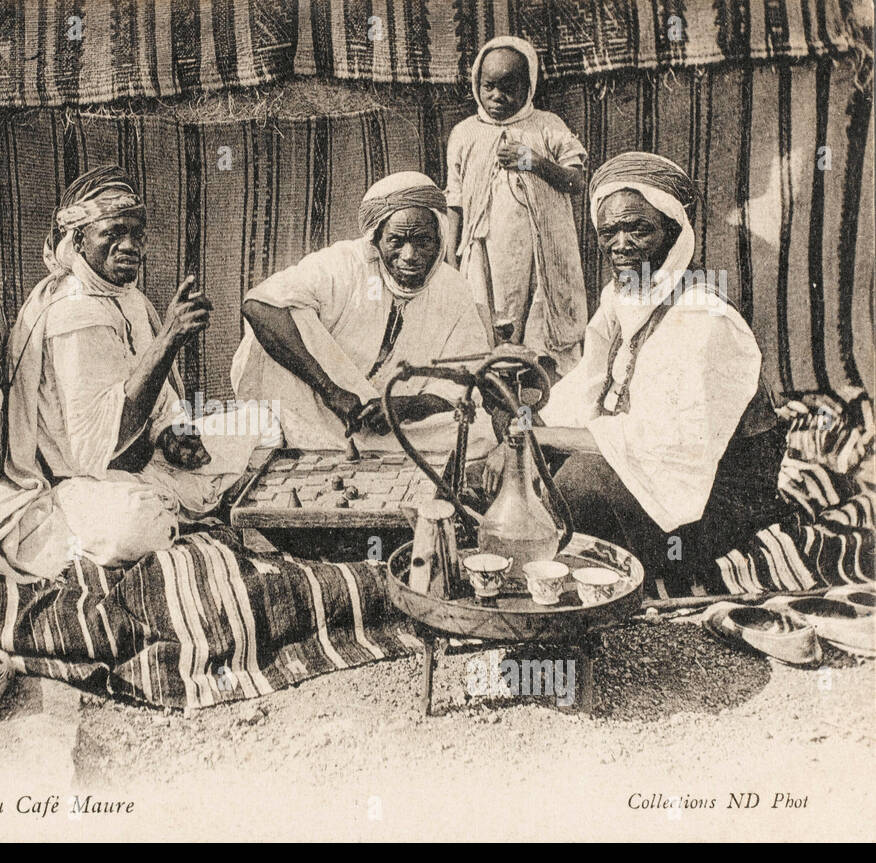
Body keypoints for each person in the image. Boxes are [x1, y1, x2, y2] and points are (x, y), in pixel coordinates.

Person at [0, 165, 277, 578]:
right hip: (81, 482)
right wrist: (169, 338)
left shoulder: (126, 297)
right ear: (79, 239)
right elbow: (98, 448)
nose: (130, 245)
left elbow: (155, 400)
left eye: (137, 234)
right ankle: (181, 513)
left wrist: (169, 432)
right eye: (114, 233)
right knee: (138, 526)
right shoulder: (73, 312)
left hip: (146, 466)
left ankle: (184, 508)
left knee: (265, 425)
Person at [520, 151, 786, 580]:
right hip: (657, 465)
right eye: (609, 231)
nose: (620, 244)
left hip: (717, 499)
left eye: (638, 229)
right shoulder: (624, 296)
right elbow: (592, 383)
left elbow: (667, 444)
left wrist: (542, 439)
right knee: (517, 466)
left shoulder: (703, 315)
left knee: (577, 484)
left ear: (674, 231)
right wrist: (529, 434)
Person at [231, 171, 493, 454]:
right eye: (397, 241)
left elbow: (466, 381)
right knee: (283, 313)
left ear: (439, 238)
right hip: (320, 404)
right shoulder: (344, 264)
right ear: (376, 239)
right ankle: (311, 435)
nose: (410, 255)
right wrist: (331, 391)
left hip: (399, 421)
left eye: (422, 241)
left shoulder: (453, 290)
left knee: (479, 433)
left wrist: (404, 407)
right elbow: (257, 305)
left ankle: (344, 441)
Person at [444, 36, 588, 374]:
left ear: (529, 86)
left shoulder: (547, 126)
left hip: (540, 250)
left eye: (509, 87)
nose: (497, 96)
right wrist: (451, 255)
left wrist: (533, 162)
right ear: (477, 84)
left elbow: (576, 181)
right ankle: (496, 390)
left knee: (539, 321)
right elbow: (456, 199)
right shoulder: (465, 133)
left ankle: (541, 388)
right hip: (485, 250)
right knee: (487, 323)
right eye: (489, 85)